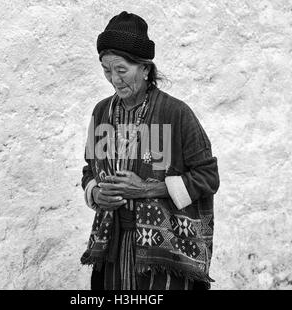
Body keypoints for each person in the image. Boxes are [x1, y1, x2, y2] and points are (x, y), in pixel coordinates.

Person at [80, 11, 220, 290]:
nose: (114, 79)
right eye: (107, 70)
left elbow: (208, 177)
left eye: (121, 70)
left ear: (145, 69)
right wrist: (97, 193)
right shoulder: (102, 112)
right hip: (113, 247)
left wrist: (145, 189)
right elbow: (90, 170)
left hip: (165, 256)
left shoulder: (175, 113)